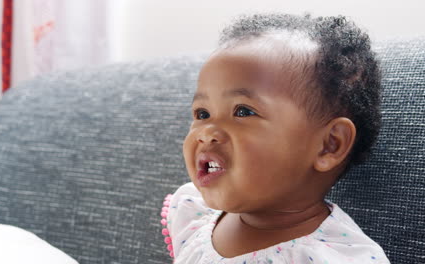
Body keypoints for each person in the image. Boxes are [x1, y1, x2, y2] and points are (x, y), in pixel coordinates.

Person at [160, 13, 390, 264]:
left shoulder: (336, 258)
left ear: (329, 145)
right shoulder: (194, 214)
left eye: (243, 111)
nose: (206, 133)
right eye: (202, 114)